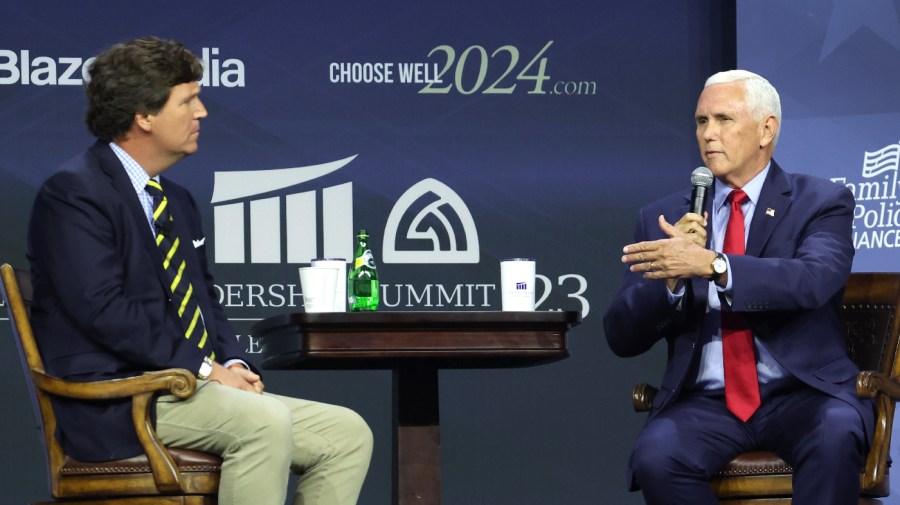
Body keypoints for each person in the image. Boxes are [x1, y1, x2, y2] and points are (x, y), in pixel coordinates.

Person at [27, 37, 372, 505]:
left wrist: (231, 363)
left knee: (347, 434)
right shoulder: (73, 194)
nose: (203, 112)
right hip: (120, 402)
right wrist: (207, 369)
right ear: (143, 116)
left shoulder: (178, 201)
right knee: (263, 423)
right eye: (187, 100)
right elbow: (103, 310)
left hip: (191, 389)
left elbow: (204, 300)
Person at [603, 70, 873, 505]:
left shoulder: (819, 202)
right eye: (701, 121)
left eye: (724, 120)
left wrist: (713, 264)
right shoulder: (665, 217)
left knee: (835, 434)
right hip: (706, 402)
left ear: (767, 129)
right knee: (656, 456)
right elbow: (620, 335)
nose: (708, 135)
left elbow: (813, 280)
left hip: (803, 395)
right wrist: (671, 278)